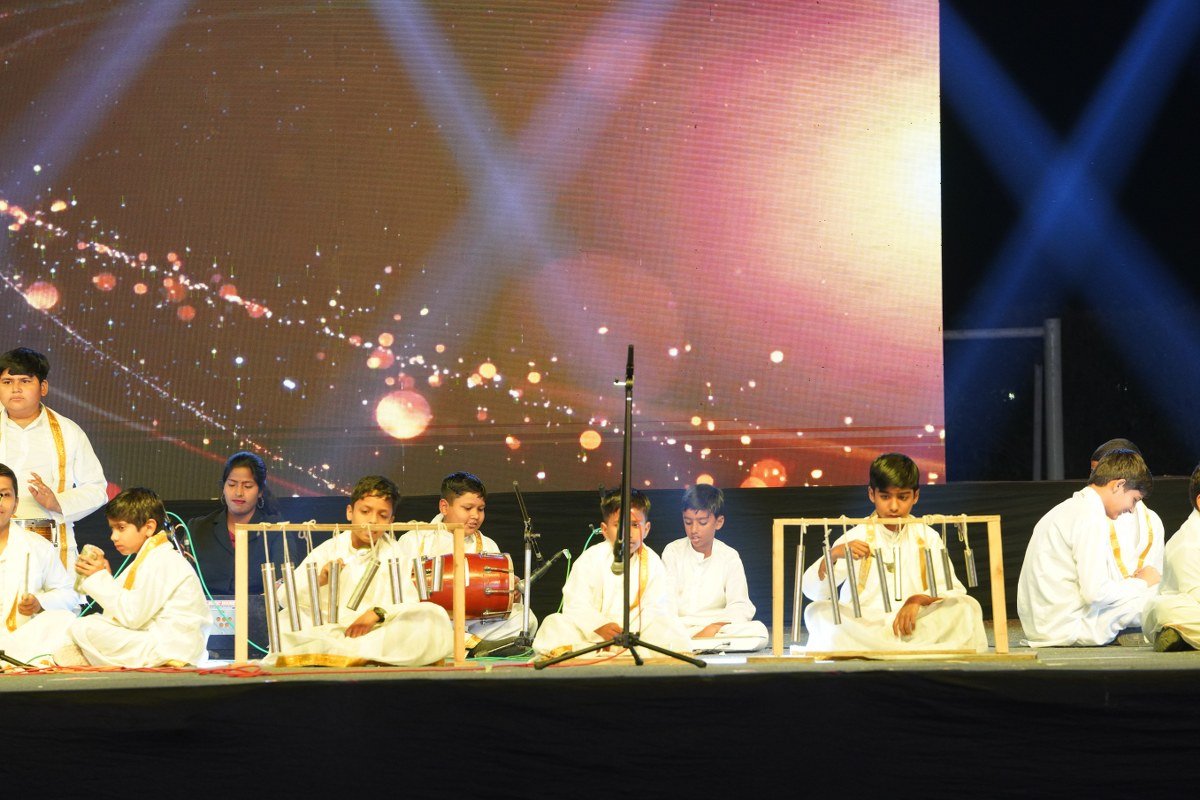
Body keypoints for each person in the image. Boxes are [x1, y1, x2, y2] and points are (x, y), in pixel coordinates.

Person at [801, 453, 987, 653]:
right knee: (818, 612)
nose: (894, 506)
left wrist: (917, 600)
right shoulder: (855, 536)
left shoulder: (928, 536)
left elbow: (952, 590)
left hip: (914, 623)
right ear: (871, 494)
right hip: (865, 625)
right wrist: (832, 556)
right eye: (885, 497)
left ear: (915, 496)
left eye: (903, 497)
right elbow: (813, 592)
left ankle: (883, 648)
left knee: (965, 607)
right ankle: (907, 648)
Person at [264, 476, 452, 667]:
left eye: (382, 515)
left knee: (433, 615)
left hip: (375, 632)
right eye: (365, 511)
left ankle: (340, 654)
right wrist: (319, 580)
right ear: (350, 512)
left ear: (391, 521)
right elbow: (284, 597)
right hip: (329, 630)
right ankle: (351, 654)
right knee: (287, 620)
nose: (372, 520)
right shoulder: (329, 549)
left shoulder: (395, 553)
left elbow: (409, 602)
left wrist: (377, 613)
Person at [1017, 449, 1160, 647]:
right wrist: (1141, 583)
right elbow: (1096, 594)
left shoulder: (1072, 508)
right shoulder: (1090, 517)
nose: (1131, 509)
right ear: (1119, 485)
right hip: (1067, 627)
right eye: (1134, 499)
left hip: (1046, 624)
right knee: (1158, 598)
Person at [60, 488, 212, 667]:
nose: (114, 536)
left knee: (83, 627)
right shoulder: (150, 558)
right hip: (160, 641)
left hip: (172, 647)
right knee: (77, 623)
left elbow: (132, 617)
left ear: (149, 527)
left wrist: (99, 578)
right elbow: (122, 613)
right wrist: (105, 578)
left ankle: (84, 658)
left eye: (121, 528)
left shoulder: (162, 560)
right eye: (112, 528)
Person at [533, 488, 690, 657]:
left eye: (635, 525)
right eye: (618, 525)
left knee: (672, 629)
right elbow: (576, 603)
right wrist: (600, 626)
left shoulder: (652, 562)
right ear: (605, 529)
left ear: (646, 529)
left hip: (637, 636)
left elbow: (659, 608)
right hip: (593, 636)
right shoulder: (590, 558)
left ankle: (616, 651)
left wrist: (630, 633)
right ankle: (608, 651)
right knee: (554, 624)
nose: (627, 533)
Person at [395, 471, 532, 652]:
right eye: (468, 508)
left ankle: (468, 644)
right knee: (411, 624)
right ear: (444, 507)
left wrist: (510, 594)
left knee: (526, 618)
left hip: (474, 623)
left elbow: (496, 602)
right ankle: (473, 646)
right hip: (429, 621)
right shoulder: (415, 539)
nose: (475, 515)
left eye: (480, 509)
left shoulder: (488, 544)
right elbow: (398, 593)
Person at [0, 347, 108, 573]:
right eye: (7, 382)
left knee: (54, 594)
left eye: (25, 381)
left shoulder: (69, 431)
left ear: (43, 387)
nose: (15, 389)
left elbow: (97, 489)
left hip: (50, 543)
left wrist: (57, 502)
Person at [661, 484, 768, 650]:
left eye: (702, 522)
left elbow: (740, 604)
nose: (693, 529)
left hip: (718, 628)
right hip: (681, 627)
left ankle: (693, 645)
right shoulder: (673, 551)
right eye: (688, 522)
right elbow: (666, 601)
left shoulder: (729, 556)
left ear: (719, 522)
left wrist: (715, 627)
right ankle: (698, 643)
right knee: (652, 629)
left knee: (759, 632)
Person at [0, 463, 80, 664]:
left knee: (64, 621)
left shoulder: (37, 546)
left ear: (15, 504)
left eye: (5, 494)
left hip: (21, 642)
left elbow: (69, 594)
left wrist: (39, 603)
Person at [186, 451, 286, 595]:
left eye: (247, 486)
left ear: (260, 491)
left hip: (258, 607)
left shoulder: (275, 529)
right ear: (223, 487)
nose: (238, 492)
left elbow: (284, 581)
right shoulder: (197, 529)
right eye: (232, 484)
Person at [1087, 439, 1164, 586]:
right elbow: (1093, 587)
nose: (1095, 480)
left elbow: (1156, 575)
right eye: (1093, 473)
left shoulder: (1153, 521)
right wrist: (1137, 584)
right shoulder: (1088, 517)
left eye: (1100, 472)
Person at [1142, 462, 1200, 652]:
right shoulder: (1187, 543)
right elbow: (1196, 596)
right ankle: (1178, 631)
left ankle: (1182, 637)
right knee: (1164, 608)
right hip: (1187, 611)